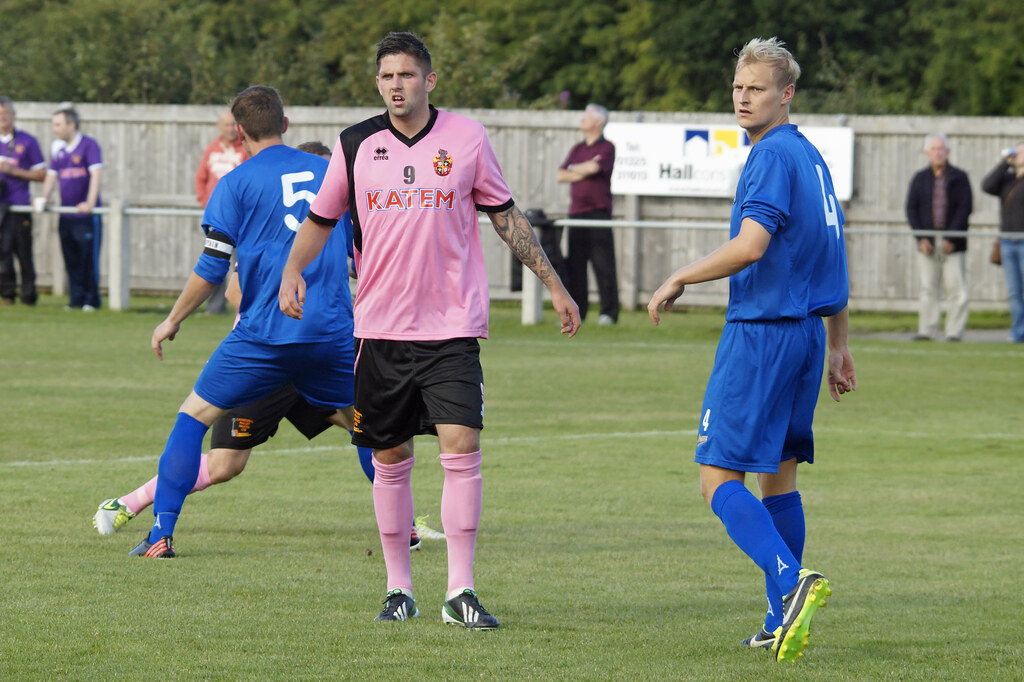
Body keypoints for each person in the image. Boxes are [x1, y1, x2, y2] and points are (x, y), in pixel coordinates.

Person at [279, 32, 580, 629]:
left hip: (451, 326)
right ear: (378, 83)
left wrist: (552, 282)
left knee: (462, 447)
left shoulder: (466, 138)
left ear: (429, 81)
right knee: (389, 456)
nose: (397, 85)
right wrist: (292, 269)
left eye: (408, 75)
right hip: (381, 329)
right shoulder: (354, 144)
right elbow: (321, 217)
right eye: (387, 76)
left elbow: (505, 216)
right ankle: (399, 589)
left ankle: (459, 592)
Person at [648, 37, 856, 663]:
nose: (743, 97)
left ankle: (793, 584)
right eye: (738, 87)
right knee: (779, 476)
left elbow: (752, 244)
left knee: (716, 478)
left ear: (785, 94)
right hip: (804, 338)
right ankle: (778, 618)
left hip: (762, 334)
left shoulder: (771, 156)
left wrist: (682, 274)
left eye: (757, 88)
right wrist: (839, 345)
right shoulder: (812, 158)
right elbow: (833, 258)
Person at [128, 86, 357, 560]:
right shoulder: (333, 171)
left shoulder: (233, 183)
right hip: (332, 333)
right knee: (371, 428)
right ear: (286, 124)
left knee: (192, 418)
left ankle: (161, 535)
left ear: (239, 133)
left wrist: (172, 319)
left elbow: (213, 269)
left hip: (264, 336)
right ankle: (403, 532)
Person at [34, 106, 103, 311]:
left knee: (87, 258)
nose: (55, 129)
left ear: (71, 125)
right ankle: (76, 299)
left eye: (58, 124)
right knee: (70, 258)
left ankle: (91, 300)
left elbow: (96, 175)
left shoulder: (89, 145)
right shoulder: (58, 149)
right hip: (66, 215)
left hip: (85, 216)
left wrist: (89, 203)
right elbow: (51, 176)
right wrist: (44, 198)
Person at [905, 133, 973, 341]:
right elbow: (911, 209)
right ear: (927, 152)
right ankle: (927, 330)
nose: (938, 152)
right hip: (927, 241)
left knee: (957, 289)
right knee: (928, 288)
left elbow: (965, 208)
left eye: (941, 148)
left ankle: (954, 332)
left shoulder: (959, 177)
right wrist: (921, 238)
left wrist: (951, 238)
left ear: (948, 151)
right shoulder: (919, 178)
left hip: (953, 241)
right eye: (934, 149)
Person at [557, 103, 619, 325]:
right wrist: (579, 168)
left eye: (588, 115)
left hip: (598, 215)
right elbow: (561, 175)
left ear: (599, 122)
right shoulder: (577, 149)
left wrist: (577, 169)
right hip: (576, 215)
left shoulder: (607, 148)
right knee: (575, 267)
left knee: (604, 266)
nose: (583, 118)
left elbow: (595, 169)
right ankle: (578, 312)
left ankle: (609, 313)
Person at [195, 110, 250, 315]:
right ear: (219, 126)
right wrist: (206, 204)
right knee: (215, 261)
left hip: (242, 219)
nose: (230, 129)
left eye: (233, 124)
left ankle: (244, 307)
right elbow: (201, 178)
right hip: (218, 220)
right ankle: (215, 307)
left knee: (242, 263)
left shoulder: (245, 150)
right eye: (226, 125)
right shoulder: (212, 150)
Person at [0, 97, 46, 306]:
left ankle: (28, 296)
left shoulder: (27, 141)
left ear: (13, 115)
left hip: (19, 206)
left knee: (23, 253)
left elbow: (42, 174)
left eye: (5, 113)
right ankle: (6, 295)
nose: (2, 118)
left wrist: (13, 171)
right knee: (3, 253)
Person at [981, 143, 1024, 343]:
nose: (1017, 154)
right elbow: (987, 186)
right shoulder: (1007, 180)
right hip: (1008, 242)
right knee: (1014, 292)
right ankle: (1018, 331)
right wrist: (1003, 163)